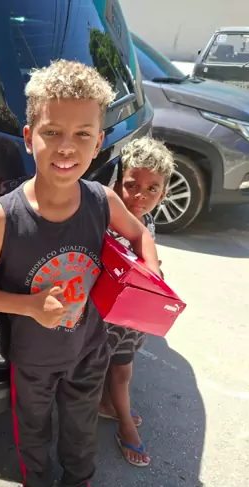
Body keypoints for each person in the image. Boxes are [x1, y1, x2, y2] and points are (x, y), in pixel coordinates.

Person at [0, 60, 161, 487]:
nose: (66, 147)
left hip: (89, 348)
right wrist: (29, 306)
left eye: (82, 135)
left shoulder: (102, 201)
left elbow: (141, 236)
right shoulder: (3, 217)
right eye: (52, 132)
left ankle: (77, 486)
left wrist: (151, 272)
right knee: (33, 429)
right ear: (29, 135)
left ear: (99, 143)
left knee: (80, 425)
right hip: (32, 358)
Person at [99, 137, 174, 467]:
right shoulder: (108, 222)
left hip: (132, 318)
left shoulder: (147, 221)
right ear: (117, 183)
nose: (140, 196)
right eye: (132, 185)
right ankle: (126, 429)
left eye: (152, 189)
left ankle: (109, 405)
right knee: (117, 371)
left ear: (164, 193)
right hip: (108, 320)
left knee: (119, 369)